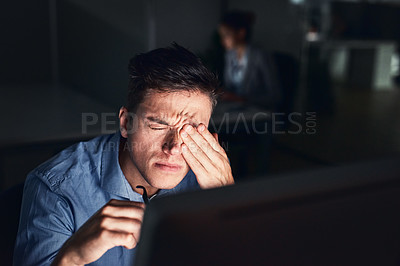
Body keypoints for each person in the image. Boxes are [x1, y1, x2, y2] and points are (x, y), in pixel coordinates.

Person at [14, 43, 235, 266]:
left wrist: (230, 204)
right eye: (158, 125)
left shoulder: (211, 185)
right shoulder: (55, 189)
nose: (174, 147)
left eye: (192, 131)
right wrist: (72, 258)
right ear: (125, 123)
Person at [218, 11, 281, 110]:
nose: (222, 40)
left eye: (226, 35)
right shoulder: (230, 56)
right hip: (234, 108)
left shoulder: (260, 56)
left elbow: (274, 96)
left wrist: (242, 99)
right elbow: (229, 87)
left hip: (258, 111)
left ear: (241, 33)